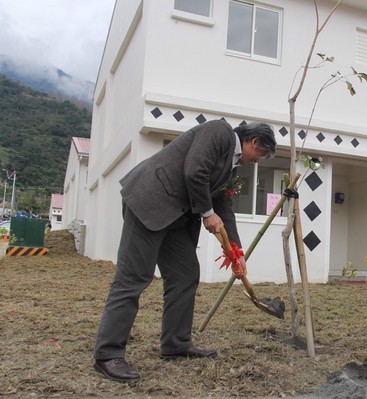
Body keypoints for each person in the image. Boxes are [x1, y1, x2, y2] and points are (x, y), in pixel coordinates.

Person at [93, 120, 277, 383]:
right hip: (150, 203)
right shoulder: (219, 132)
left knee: (185, 274)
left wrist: (236, 253)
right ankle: (107, 354)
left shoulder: (230, 165)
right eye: (260, 155)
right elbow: (195, 171)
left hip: (176, 218)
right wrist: (207, 213)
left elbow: (223, 206)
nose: (257, 161)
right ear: (255, 142)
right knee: (133, 279)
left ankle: (176, 344)